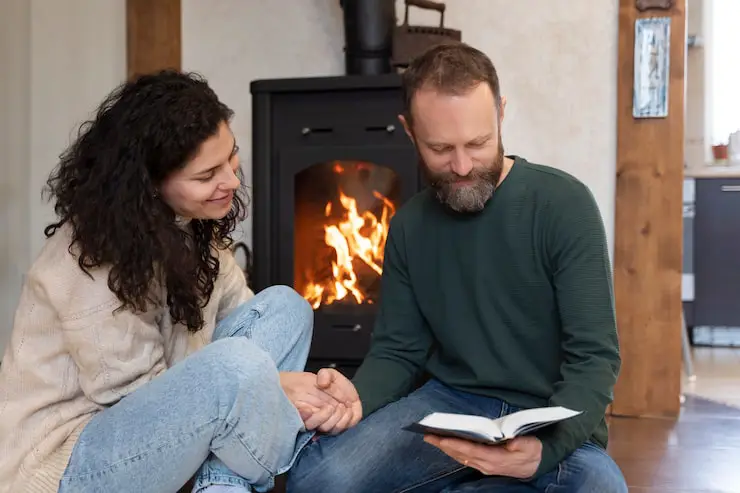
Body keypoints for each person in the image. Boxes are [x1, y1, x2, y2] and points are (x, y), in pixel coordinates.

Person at [286, 42, 628, 492]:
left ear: (501, 115)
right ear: (409, 132)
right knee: (317, 479)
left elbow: (595, 358)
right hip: (449, 407)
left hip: (546, 416)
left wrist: (548, 448)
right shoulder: (409, 225)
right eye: (441, 148)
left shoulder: (564, 204)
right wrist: (357, 396)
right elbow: (398, 350)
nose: (463, 166)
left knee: (600, 487)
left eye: (478, 143)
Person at [0, 70, 361, 493]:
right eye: (206, 175)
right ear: (149, 186)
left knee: (286, 307)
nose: (230, 180)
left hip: (177, 415)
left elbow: (249, 328)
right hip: (71, 460)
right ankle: (262, 463)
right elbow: (137, 399)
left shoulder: (188, 225)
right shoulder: (90, 258)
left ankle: (221, 486)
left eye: (231, 157)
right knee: (237, 370)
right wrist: (279, 390)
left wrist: (306, 385)